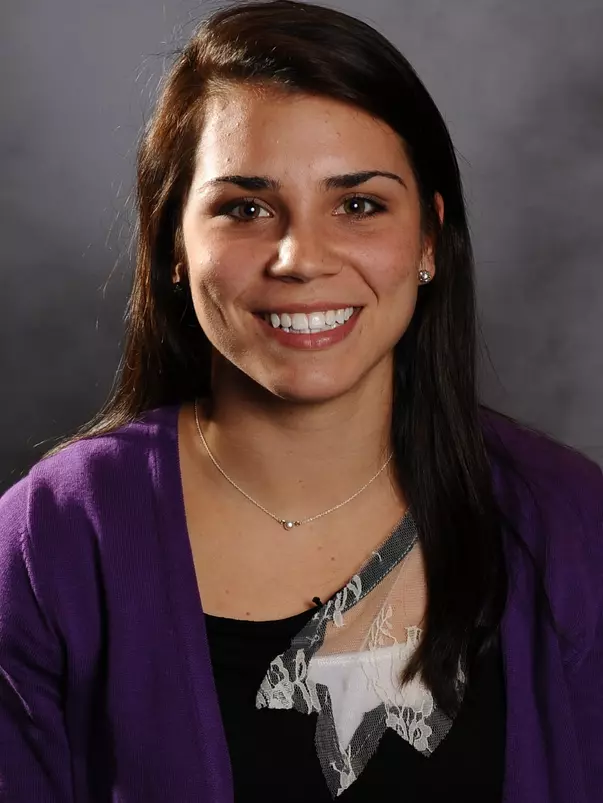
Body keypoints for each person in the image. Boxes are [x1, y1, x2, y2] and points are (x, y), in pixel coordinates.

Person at [1, 0, 602, 800]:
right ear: (172, 244)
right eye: (244, 208)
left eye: (358, 204)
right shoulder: (54, 539)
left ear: (427, 239)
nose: (299, 258)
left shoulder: (570, 519)